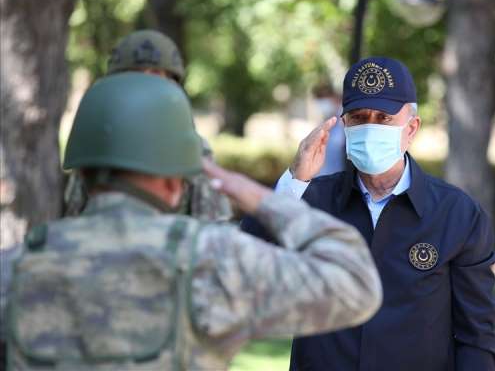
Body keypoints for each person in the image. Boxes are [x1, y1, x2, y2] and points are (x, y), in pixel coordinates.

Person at [4, 72, 382, 370]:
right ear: (176, 179)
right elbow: (355, 284)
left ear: (81, 176)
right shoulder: (209, 259)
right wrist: (260, 196)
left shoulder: (15, 269)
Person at [242, 57, 495, 370]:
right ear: (344, 125)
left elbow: (476, 337)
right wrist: (295, 179)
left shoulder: (456, 214)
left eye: (383, 118)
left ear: (411, 128)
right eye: (359, 117)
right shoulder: (309, 200)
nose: (371, 126)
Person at [63, 29, 232, 222]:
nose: (145, 82)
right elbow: (75, 219)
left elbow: (211, 227)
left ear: (173, 84)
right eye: (134, 75)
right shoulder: (97, 141)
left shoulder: (191, 146)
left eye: (155, 73)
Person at [312, 83, 346, 177]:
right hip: (322, 180)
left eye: (323, 98)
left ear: (334, 97)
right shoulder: (326, 121)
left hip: (339, 179)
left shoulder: (344, 120)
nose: (322, 104)